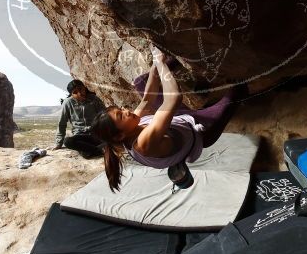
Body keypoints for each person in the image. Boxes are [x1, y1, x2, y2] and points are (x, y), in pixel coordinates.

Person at [90, 47, 246, 191]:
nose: (125, 110)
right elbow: (173, 98)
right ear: (120, 135)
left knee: (140, 83)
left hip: (178, 120)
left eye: (120, 109)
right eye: (120, 115)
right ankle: (221, 102)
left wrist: (156, 62)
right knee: (239, 89)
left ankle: (174, 61)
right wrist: (160, 63)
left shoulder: (131, 125)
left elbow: (146, 100)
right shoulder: (143, 144)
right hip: (202, 129)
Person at [53, 79, 106, 158]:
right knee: (67, 141)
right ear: (71, 94)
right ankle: (100, 150)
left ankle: (94, 149)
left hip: (96, 133)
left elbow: (105, 116)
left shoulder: (94, 99)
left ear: (85, 88)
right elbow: (62, 123)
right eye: (75, 92)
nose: (80, 93)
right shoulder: (67, 103)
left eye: (81, 89)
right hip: (80, 135)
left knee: (86, 153)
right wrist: (58, 143)